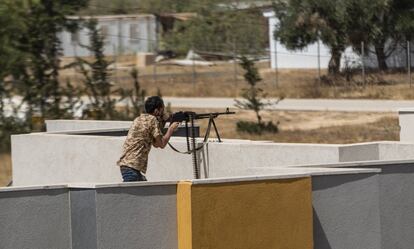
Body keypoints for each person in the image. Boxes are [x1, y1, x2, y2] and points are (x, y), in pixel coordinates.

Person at [117, 96, 180, 182]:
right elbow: (161, 144)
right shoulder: (153, 120)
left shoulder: (140, 119)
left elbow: (156, 144)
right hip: (132, 169)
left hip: (127, 167)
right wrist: (171, 129)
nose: (163, 112)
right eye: (162, 109)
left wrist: (163, 122)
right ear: (157, 110)